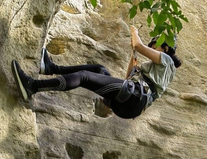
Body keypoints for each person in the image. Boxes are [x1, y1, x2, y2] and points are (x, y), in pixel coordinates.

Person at [11, 26, 181, 119]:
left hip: (134, 97)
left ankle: (32, 86)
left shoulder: (167, 61)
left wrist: (134, 32)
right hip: (130, 103)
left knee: (83, 77)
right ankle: (50, 68)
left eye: (155, 45)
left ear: (165, 48)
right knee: (99, 69)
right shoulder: (156, 70)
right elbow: (127, 78)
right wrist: (133, 56)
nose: (152, 48)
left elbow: (138, 45)